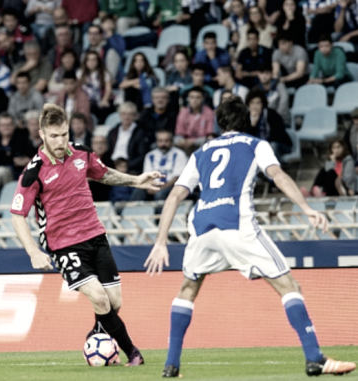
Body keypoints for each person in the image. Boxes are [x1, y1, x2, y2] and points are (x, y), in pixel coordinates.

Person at [144, 97, 357, 378]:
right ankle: (314, 358)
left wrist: (160, 242)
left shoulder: (201, 151)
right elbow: (277, 176)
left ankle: (171, 365)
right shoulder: (256, 144)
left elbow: (174, 195)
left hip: (202, 226)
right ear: (248, 121)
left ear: (220, 123)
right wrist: (307, 209)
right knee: (289, 285)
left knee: (187, 290)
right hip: (237, 224)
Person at [10, 103, 163, 366]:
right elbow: (17, 215)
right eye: (54, 136)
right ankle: (133, 353)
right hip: (63, 244)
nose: (60, 141)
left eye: (64, 134)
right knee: (99, 297)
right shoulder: (33, 172)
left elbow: (104, 175)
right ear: (42, 135)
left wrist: (136, 180)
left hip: (95, 234)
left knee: (114, 302)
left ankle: (95, 338)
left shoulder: (81, 153)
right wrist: (33, 251)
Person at [134, 129, 188, 201]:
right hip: (153, 185)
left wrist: (160, 188)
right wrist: (150, 186)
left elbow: (177, 178)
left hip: (172, 186)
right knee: (138, 191)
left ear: (171, 141)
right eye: (160, 141)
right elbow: (147, 176)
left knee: (160, 194)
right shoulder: (150, 155)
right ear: (156, 142)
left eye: (166, 141)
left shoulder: (179, 154)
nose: (163, 144)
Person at [245, 90, 292, 161]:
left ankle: (275, 170)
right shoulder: (245, 117)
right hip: (258, 147)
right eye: (252, 103)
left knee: (272, 146)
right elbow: (246, 138)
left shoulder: (272, 114)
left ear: (263, 104)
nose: (255, 106)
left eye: (258, 103)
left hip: (279, 145)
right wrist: (253, 124)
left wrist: (263, 144)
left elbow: (278, 135)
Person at [107, 102, 150, 174]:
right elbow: (108, 151)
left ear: (134, 116)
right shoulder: (113, 132)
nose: (126, 117)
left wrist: (125, 166)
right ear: (120, 115)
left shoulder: (141, 133)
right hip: (112, 165)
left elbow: (142, 156)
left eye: (130, 114)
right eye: (124, 114)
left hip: (130, 167)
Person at [174, 87, 215, 153]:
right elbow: (179, 134)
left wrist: (194, 141)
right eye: (192, 97)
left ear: (202, 99)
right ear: (188, 99)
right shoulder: (183, 113)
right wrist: (183, 141)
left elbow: (210, 135)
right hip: (185, 144)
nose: (194, 100)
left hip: (202, 144)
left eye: (198, 97)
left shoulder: (209, 113)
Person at [78, 51, 114, 123]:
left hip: (100, 100)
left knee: (105, 108)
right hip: (86, 100)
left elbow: (108, 89)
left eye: (94, 60)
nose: (91, 62)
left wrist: (104, 100)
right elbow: (78, 88)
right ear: (85, 62)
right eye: (89, 60)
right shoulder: (80, 73)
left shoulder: (104, 73)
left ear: (98, 61)